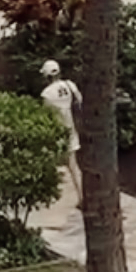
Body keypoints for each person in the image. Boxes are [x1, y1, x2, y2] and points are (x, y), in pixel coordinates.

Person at [41, 58, 83, 205]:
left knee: (70, 166)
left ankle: (82, 197)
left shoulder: (47, 94)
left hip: (58, 132)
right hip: (72, 128)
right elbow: (80, 100)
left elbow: (46, 115)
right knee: (73, 165)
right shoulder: (69, 85)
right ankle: (81, 196)